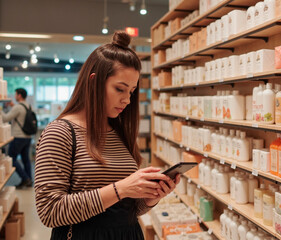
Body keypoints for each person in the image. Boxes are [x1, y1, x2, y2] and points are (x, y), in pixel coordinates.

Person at [34, 31, 180, 240]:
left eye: (131, 91)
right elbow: (49, 211)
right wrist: (121, 188)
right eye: (119, 89)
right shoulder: (60, 133)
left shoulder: (119, 131)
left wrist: (150, 197)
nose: (127, 100)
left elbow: (127, 210)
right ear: (93, 81)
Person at [2, 88, 32, 188]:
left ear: (19, 95)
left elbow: (6, 118)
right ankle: (29, 180)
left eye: (15, 94)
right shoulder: (28, 106)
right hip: (27, 136)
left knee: (11, 158)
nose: (14, 96)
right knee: (25, 160)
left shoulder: (18, 107)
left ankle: (25, 178)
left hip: (18, 136)